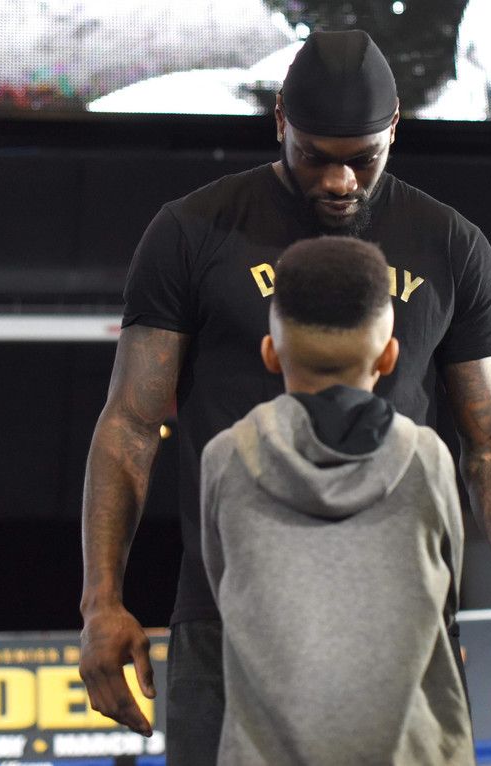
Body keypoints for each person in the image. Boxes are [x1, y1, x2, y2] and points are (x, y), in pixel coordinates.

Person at [78, 27, 491, 764]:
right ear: (280, 121)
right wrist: (100, 603)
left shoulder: (451, 246)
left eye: (361, 159)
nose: (339, 181)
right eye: (315, 156)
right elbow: (131, 424)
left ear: (394, 128)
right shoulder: (192, 232)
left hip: (401, 615)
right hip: (228, 613)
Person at [200, 236, 474, 765]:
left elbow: (223, 590)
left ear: (270, 351)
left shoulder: (226, 459)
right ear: (390, 356)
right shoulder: (428, 460)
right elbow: (448, 598)